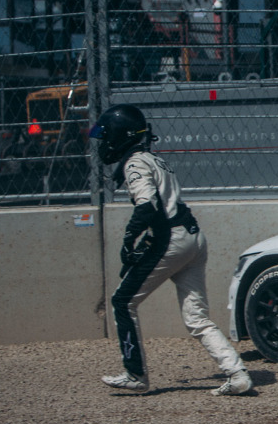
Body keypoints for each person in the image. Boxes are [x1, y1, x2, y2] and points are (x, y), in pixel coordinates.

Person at [89, 104, 252, 396]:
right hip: (193, 237)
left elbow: (148, 207)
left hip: (172, 240)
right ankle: (237, 373)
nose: (104, 143)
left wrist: (129, 240)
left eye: (107, 136)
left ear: (120, 135)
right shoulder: (155, 159)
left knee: (122, 302)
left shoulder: (135, 163)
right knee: (197, 318)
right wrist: (140, 241)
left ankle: (135, 374)